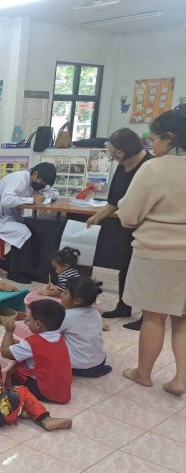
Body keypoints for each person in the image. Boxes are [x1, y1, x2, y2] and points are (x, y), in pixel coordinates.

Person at [116, 105, 186, 396]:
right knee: (183, 318)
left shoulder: (154, 167)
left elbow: (129, 215)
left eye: (154, 139)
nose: (150, 145)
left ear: (169, 138)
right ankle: (181, 379)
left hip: (156, 253)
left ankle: (143, 373)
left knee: (154, 316)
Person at [86, 128, 153, 330]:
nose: (115, 158)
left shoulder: (149, 166)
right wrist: (97, 216)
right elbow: (114, 201)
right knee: (125, 265)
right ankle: (123, 305)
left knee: (144, 272)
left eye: (116, 154)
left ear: (128, 149)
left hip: (148, 228)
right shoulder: (122, 167)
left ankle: (148, 317)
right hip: (126, 226)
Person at [0, 163, 59, 283]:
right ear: (35, 174)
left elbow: (55, 193)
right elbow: (6, 200)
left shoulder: (35, 181)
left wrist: (44, 193)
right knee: (23, 232)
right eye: (42, 182)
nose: (41, 186)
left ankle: (7, 262)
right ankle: (15, 272)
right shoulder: (18, 179)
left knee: (34, 229)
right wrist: (32, 199)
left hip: (7, 217)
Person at [0, 299, 72, 404]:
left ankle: (10, 393)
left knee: (10, 371)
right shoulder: (59, 338)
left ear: (38, 324)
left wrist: (9, 331)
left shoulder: (32, 342)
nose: (27, 322)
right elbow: (40, 348)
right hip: (61, 389)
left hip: (42, 390)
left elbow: (5, 352)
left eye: (29, 320)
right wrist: (20, 344)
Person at [60, 278, 112, 378]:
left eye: (65, 293)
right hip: (99, 361)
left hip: (78, 365)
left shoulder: (68, 316)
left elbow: (50, 329)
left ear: (77, 301)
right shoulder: (95, 313)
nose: (61, 294)